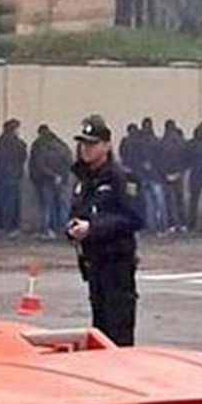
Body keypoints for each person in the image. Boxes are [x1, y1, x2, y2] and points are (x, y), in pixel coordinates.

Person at [67, 115, 144, 347]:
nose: (86, 149)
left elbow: (134, 218)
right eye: (83, 143)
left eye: (92, 144)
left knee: (117, 332)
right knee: (99, 332)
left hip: (116, 264)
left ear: (106, 146)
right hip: (94, 264)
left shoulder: (121, 178)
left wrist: (93, 228)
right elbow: (77, 212)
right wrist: (72, 228)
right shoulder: (83, 180)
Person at [29, 124, 72, 239]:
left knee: (47, 206)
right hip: (62, 179)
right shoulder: (61, 144)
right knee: (63, 205)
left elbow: (39, 165)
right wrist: (62, 176)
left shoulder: (40, 146)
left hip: (46, 180)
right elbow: (69, 161)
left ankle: (48, 230)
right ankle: (65, 229)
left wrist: (52, 176)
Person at [0, 119, 28, 237]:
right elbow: (22, 157)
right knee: (12, 202)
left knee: (0, 201)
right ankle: (10, 227)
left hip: (1, 176)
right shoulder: (18, 144)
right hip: (13, 176)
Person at [136, 118, 168, 234]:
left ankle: (151, 226)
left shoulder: (138, 143)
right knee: (160, 203)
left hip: (144, 176)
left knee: (149, 204)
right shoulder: (156, 141)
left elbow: (134, 158)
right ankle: (162, 227)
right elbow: (162, 159)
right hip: (156, 176)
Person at [159, 120, 188, 232]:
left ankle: (171, 224)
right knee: (180, 200)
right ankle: (183, 224)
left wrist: (164, 173)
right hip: (179, 174)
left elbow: (159, 159)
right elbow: (186, 157)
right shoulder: (181, 142)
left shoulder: (162, 142)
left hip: (166, 174)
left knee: (168, 201)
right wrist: (181, 171)